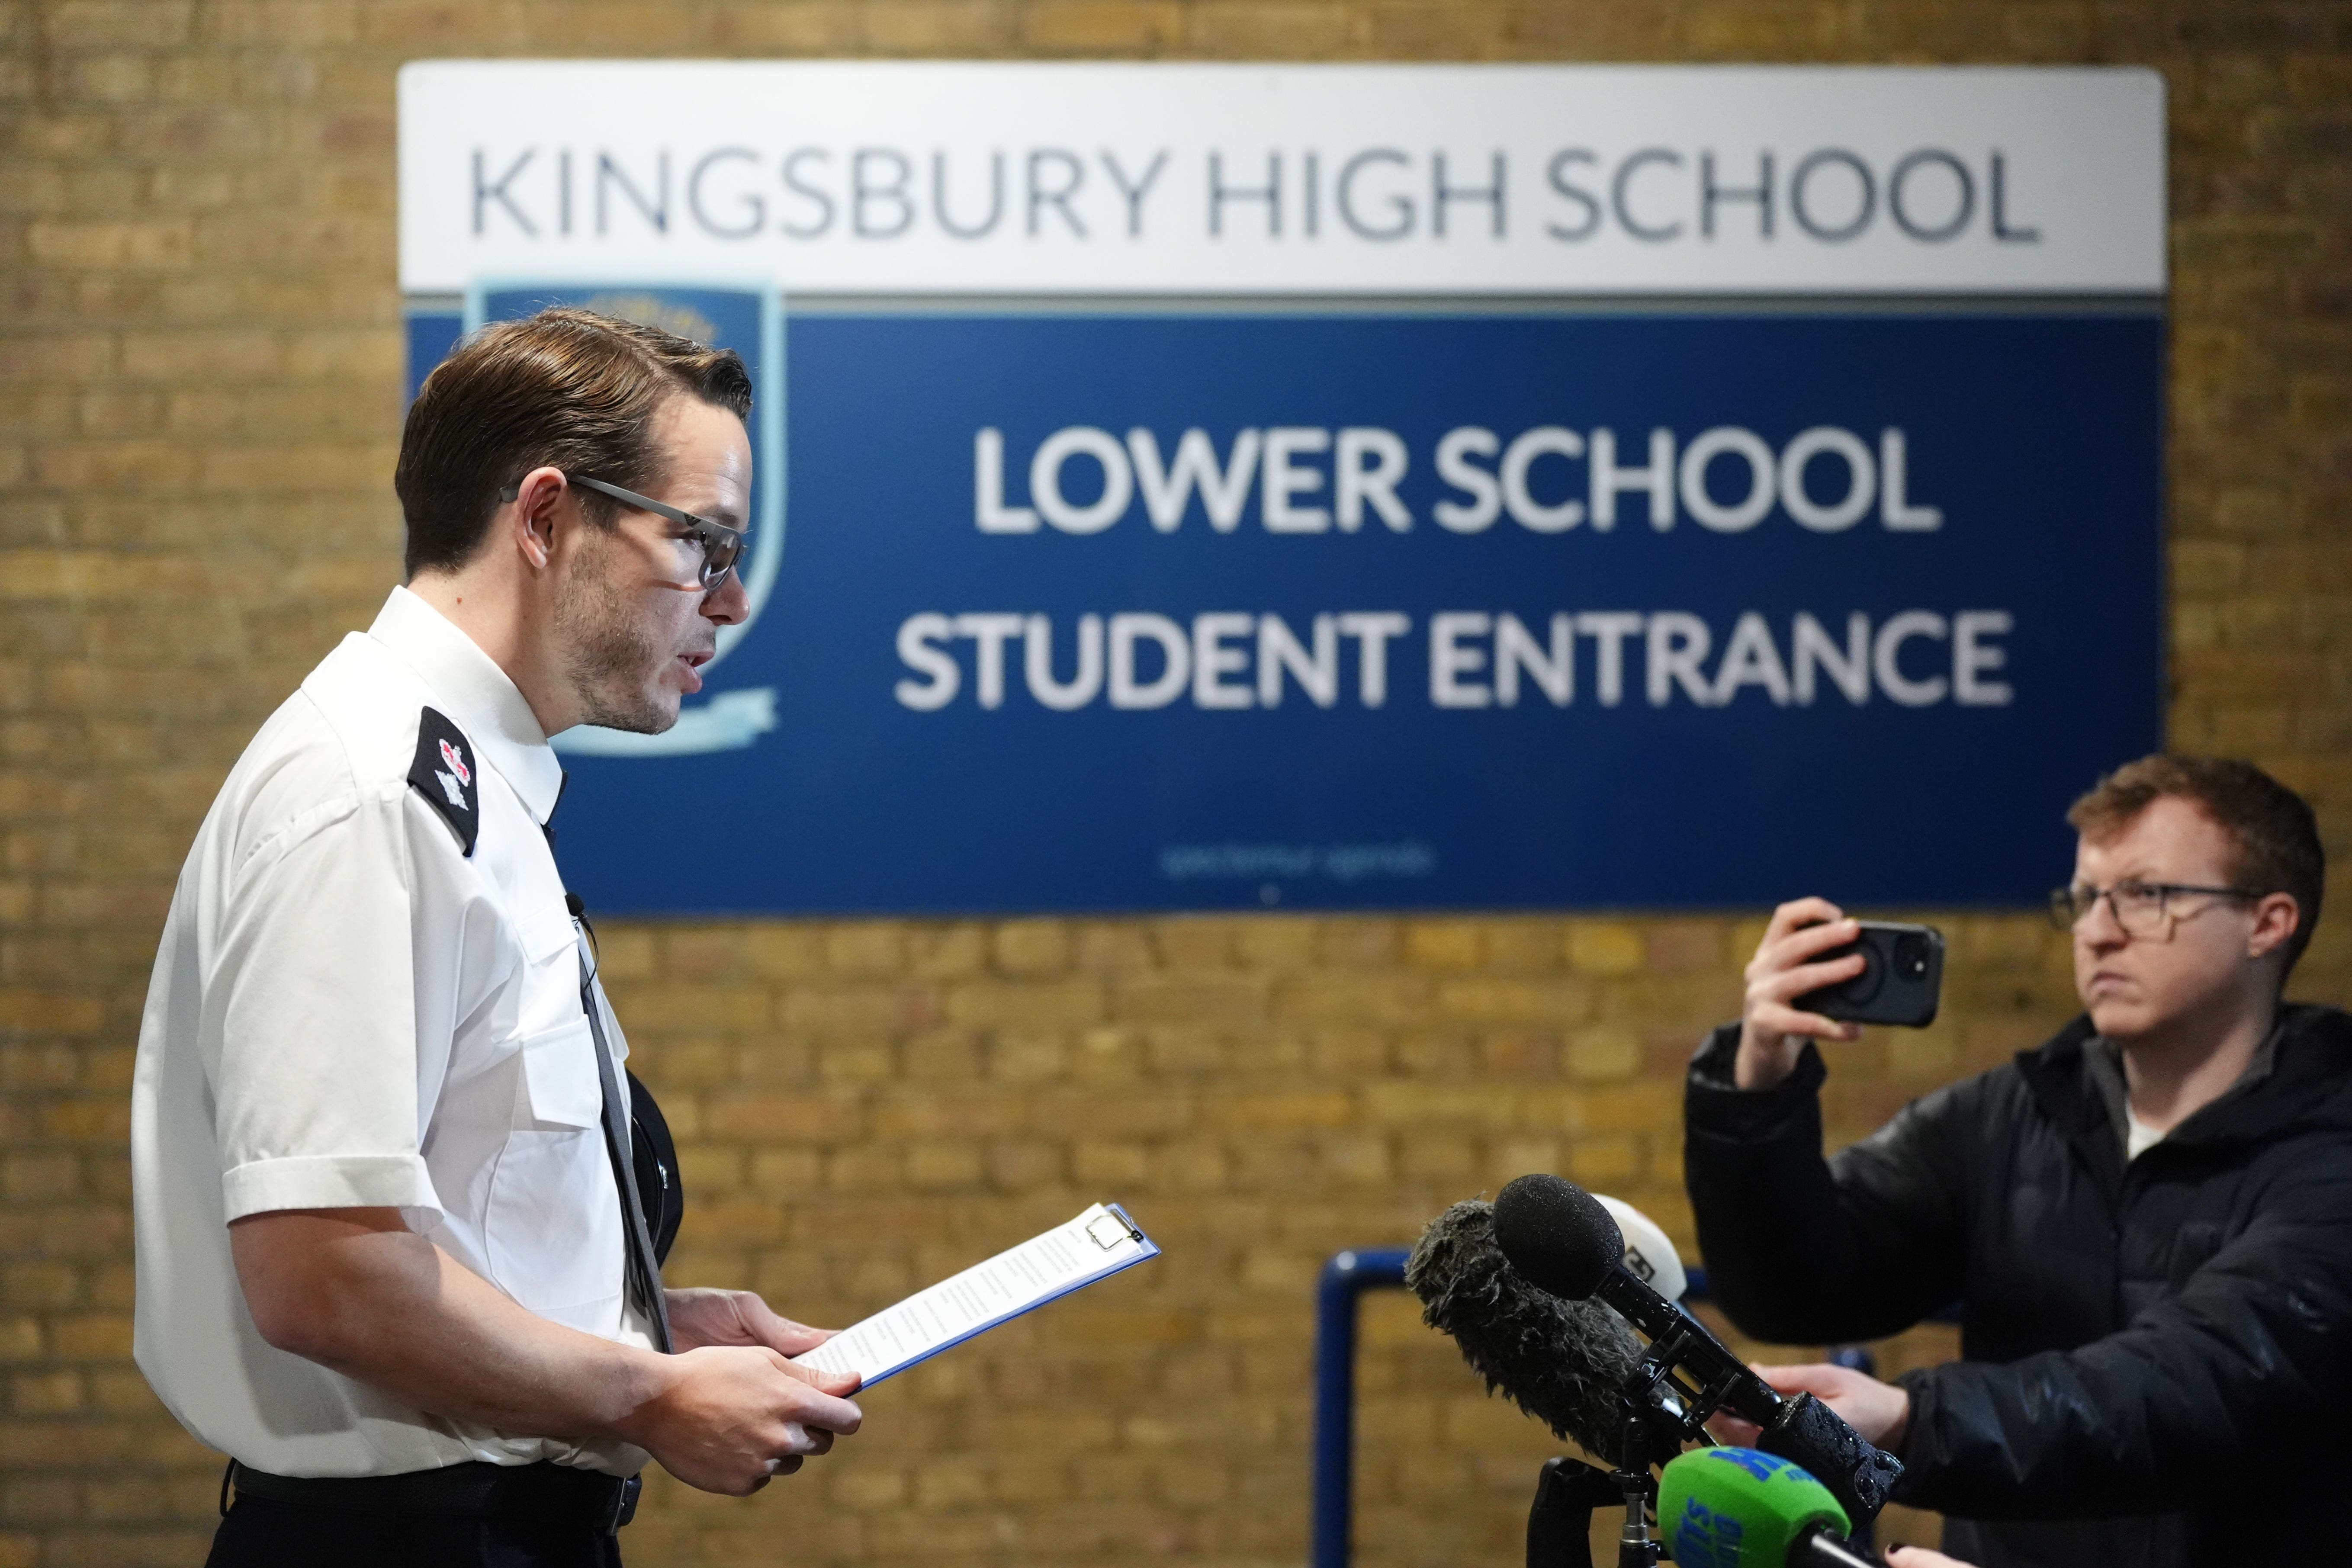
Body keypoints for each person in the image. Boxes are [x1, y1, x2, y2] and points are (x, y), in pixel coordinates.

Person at [131, 308, 863, 1568]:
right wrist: (646, 1399)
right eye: (700, 542)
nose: (730, 599)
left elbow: (447, 1223)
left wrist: (638, 1328)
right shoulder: (369, 792)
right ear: (542, 519)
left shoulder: (460, 781)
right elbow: (326, 1272)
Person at [1685, 755, 2352, 1568]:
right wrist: (1758, 1084)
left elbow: (2201, 1381)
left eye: (2148, 896)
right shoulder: (2011, 1113)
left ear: (2268, 922)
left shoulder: (2332, 1145)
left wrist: (1909, 1420)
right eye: (2085, 897)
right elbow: (1798, 1284)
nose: (2097, 929)